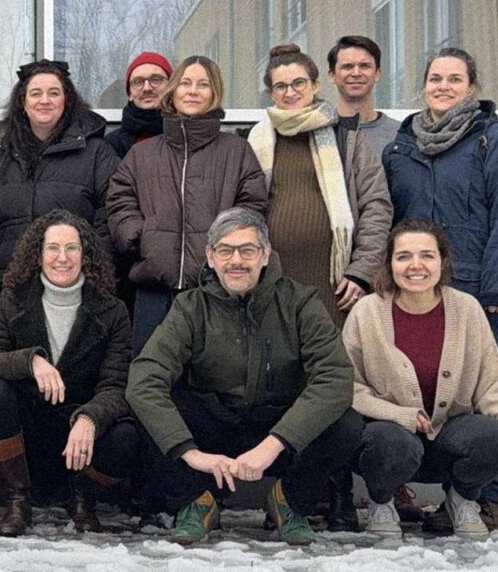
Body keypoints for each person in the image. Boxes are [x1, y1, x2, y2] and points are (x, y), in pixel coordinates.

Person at [126, 208, 361, 546]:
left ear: (265, 255)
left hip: (276, 428)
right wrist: (192, 454)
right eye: (225, 250)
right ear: (210, 256)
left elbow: (336, 377)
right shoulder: (190, 307)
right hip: (213, 427)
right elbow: (145, 378)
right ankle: (196, 501)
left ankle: (288, 501)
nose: (236, 260)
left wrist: (274, 444)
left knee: (347, 424)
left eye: (247, 250)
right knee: (144, 405)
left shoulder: (300, 302)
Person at [345, 219, 498, 538]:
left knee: (494, 438)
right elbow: (349, 387)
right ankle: (381, 502)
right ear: (389, 263)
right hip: (392, 444)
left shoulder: (466, 309)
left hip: (449, 439)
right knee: (388, 442)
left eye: (427, 255)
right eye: (404, 256)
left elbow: (491, 389)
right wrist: (401, 415)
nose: (415, 265)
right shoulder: (367, 312)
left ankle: (461, 499)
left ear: (443, 261)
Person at [0, 211, 140, 536]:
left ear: (85, 254)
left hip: (78, 441)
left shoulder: (113, 310)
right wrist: (30, 361)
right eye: (53, 248)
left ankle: (83, 501)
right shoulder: (14, 299)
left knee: (126, 437)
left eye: (72, 249)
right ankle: (18, 501)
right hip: (27, 437)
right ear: (38, 254)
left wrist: (90, 417)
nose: (62, 258)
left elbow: (116, 385)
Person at [107, 55, 267, 352]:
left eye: (203, 84)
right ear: (173, 91)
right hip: (154, 288)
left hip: (216, 287)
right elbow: (119, 200)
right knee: (151, 377)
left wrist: (227, 251)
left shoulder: (236, 151)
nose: (193, 91)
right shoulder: (144, 154)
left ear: (214, 93)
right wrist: (142, 239)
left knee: (212, 382)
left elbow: (252, 207)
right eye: (186, 83)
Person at [382, 47, 498, 361]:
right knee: (419, 378)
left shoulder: (492, 138)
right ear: (424, 86)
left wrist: (497, 288)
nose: (442, 86)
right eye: (435, 79)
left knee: (478, 384)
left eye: (454, 79)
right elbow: (388, 221)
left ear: (470, 87)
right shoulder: (400, 147)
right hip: (414, 288)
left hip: (474, 287)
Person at [247, 44, 392, 329]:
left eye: (298, 82)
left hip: (337, 287)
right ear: (272, 93)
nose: (290, 92)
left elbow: (377, 205)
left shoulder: (347, 137)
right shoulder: (254, 141)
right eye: (280, 86)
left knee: (332, 368)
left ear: (315, 84)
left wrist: (362, 271)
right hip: (273, 284)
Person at [0, 59, 119, 311]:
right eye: (36, 93)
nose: (45, 100)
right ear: (23, 102)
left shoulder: (97, 154)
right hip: (9, 295)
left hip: (77, 293)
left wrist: (95, 272)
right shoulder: (0, 159)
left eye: (54, 93)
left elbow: (108, 219)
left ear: (67, 101)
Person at [326, 35, 399, 156]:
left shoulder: (400, 135)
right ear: (332, 75)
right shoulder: (319, 133)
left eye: (364, 66)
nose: (356, 73)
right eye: (347, 66)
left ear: (377, 73)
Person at [106, 51, 174, 158]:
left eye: (156, 79)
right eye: (138, 82)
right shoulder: (110, 146)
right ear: (130, 94)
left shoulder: (188, 135)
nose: (147, 88)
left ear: (171, 86)